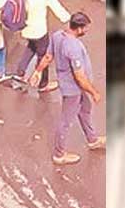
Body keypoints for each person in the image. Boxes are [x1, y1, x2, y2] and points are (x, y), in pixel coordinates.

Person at [29, 12, 104, 165]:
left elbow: (48, 57)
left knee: (85, 110)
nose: (87, 30)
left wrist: (37, 71)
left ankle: (92, 139)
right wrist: (93, 92)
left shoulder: (57, 36)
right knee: (65, 121)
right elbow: (79, 76)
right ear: (79, 28)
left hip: (74, 86)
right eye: (85, 28)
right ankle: (59, 154)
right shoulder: (73, 47)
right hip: (73, 89)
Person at [2, 0, 71, 93]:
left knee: (30, 47)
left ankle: (20, 72)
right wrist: (71, 20)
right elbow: (59, 11)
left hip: (24, 28)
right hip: (39, 31)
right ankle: (43, 84)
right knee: (43, 56)